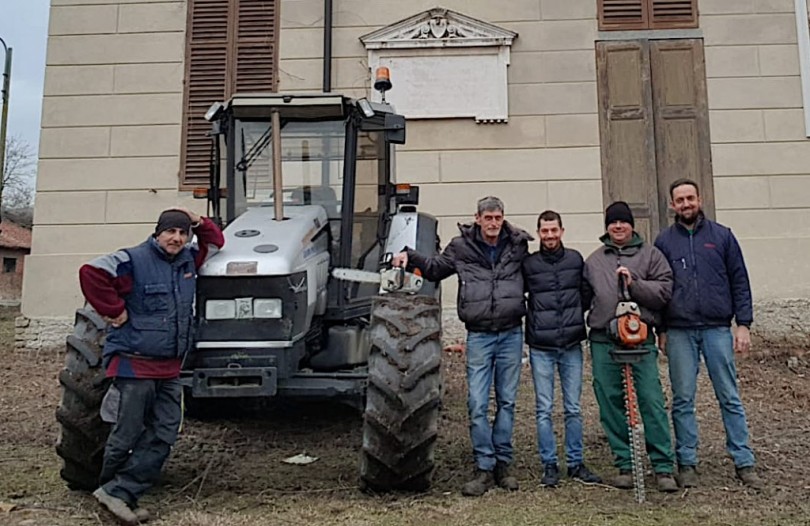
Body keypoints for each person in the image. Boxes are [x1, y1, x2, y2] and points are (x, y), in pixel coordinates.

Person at [79, 207, 224, 524]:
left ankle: (119, 492)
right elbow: (90, 272)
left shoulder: (188, 260)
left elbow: (215, 242)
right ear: (158, 232)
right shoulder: (131, 259)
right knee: (127, 433)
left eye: (183, 232)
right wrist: (114, 310)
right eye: (171, 231)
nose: (177, 238)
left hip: (169, 367)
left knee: (165, 431)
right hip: (135, 363)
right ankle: (111, 493)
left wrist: (200, 221)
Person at [391, 196, 531, 497]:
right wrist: (409, 256)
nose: (493, 223)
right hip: (479, 336)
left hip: (510, 334)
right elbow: (434, 269)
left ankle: (503, 464)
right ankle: (483, 465)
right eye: (488, 218)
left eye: (498, 218)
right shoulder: (461, 247)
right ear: (477, 218)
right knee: (478, 404)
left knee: (507, 403)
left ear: (503, 218)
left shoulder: (517, 244)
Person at [655, 179, 764, 490]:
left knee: (729, 396)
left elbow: (739, 281)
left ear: (699, 199)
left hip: (717, 329)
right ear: (672, 205)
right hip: (679, 332)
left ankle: (744, 461)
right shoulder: (664, 242)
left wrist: (743, 324)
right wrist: (661, 330)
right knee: (683, 399)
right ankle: (687, 462)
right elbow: (661, 289)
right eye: (680, 200)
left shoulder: (722, 237)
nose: (686, 204)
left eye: (690, 198)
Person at [583, 201, 678, 493]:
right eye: (613, 222)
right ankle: (625, 462)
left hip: (640, 337)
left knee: (650, 398)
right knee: (610, 400)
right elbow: (582, 297)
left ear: (631, 225)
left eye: (623, 222)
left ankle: (662, 465)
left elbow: (664, 291)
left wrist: (635, 284)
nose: (618, 227)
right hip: (604, 338)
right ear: (607, 226)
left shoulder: (651, 255)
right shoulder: (594, 261)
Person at [522, 210, 601, 488]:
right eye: (544, 231)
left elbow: (586, 292)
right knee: (544, 408)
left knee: (573, 407)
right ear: (539, 233)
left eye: (554, 230)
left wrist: (574, 315)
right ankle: (549, 464)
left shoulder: (575, 260)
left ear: (562, 231)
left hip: (571, 344)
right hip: (541, 346)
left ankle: (576, 462)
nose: (550, 235)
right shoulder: (529, 264)